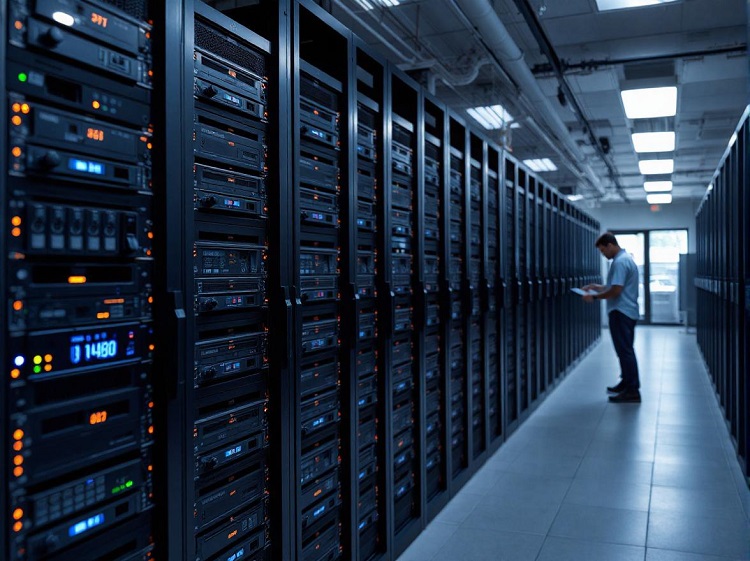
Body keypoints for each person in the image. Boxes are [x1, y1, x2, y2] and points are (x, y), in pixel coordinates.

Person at [581, 232, 641, 403]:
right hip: (625, 311)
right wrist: (596, 287)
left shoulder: (620, 262)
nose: (603, 254)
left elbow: (615, 291)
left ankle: (632, 390)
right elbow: (612, 286)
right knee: (624, 351)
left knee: (625, 351)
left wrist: (593, 297)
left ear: (610, 245)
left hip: (621, 312)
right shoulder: (624, 259)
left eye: (602, 251)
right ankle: (626, 383)